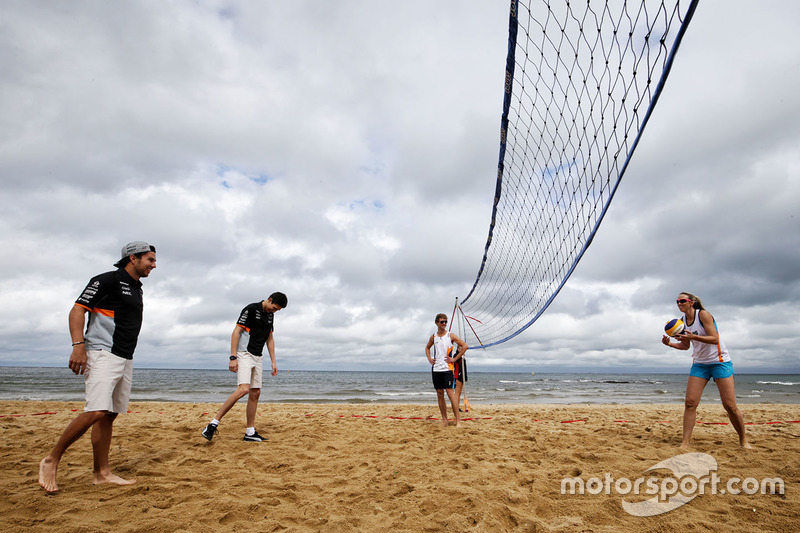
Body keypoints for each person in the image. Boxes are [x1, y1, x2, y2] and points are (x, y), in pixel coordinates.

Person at [38, 241, 157, 493]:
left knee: (109, 413)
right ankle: (51, 459)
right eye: (149, 260)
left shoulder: (137, 287)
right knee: (95, 410)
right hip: (102, 351)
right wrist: (78, 345)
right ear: (132, 258)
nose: (154, 265)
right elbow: (77, 310)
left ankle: (101, 473)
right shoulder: (107, 280)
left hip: (125, 356)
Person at [662, 292, 751, 449]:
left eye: (682, 300)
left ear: (691, 302)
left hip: (720, 361)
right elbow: (685, 346)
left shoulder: (703, 315)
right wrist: (670, 344)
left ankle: (744, 440)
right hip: (700, 364)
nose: (679, 303)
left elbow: (715, 338)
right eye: (677, 301)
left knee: (729, 405)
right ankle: (685, 443)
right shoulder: (682, 322)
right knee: (690, 403)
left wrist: (694, 337)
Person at [202, 293, 287, 442]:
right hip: (244, 354)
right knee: (243, 389)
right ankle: (212, 424)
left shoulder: (270, 316)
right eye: (274, 308)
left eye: (277, 311)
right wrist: (233, 357)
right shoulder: (251, 309)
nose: (274, 311)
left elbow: (270, 338)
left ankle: (250, 432)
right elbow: (236, 332)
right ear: (270, 300)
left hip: (258, 356)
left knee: (255, 393)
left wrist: (274, 361)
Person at [425, 313, 468, 427]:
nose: (444, 324)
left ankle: (458, 421)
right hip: (436, 369)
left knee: (450, 394)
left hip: (447, 369)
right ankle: (445, 420)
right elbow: (427, 347)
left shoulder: (450, 335)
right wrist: (429, 358)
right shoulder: (433, 336)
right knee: (440, 394)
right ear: (436, 323)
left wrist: (454, 359)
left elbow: (465, 346)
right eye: (442, 322)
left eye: (445, 322)